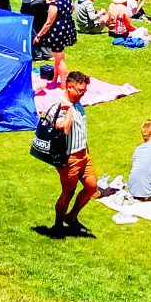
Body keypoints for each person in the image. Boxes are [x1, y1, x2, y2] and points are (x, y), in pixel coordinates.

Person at [49, 71, 97, 238]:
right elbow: (62, 127)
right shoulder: (59, 106)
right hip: (69, 158)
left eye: (84, 91)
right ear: (69, 87)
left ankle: (72, 216)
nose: (82, 94)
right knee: (68, 191)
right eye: (80, 90)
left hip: (84, 154)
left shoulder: (77, 102)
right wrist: (68, 111)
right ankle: (58, 224)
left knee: (92, 187)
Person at [34, 0, 77, 86]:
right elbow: (72, 8)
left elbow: (48, 23)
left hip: (58, 33)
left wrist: (38, 36)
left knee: (60, 59)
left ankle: (63, 85)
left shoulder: (54, 5)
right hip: (68, 29)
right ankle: (54, 79)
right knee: (59, 57)